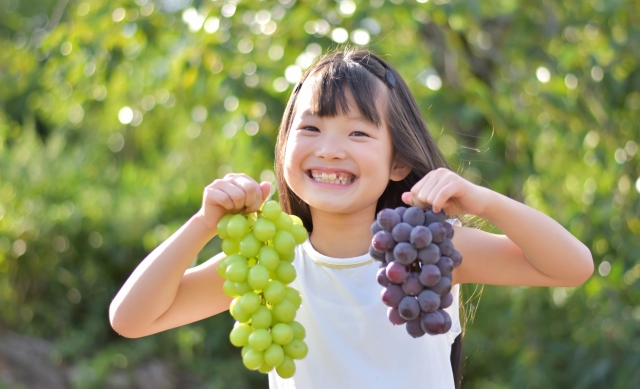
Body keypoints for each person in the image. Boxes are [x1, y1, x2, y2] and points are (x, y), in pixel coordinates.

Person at [109, 47, 594, 389]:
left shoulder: (428, 249)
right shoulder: (269, 261)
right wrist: (202, 225)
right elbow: (131, 319)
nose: (330, 150)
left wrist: (485, 201)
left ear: (398, 162)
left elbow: (572, 267)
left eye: (358, 134)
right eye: (312, 127)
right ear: (284, 149)